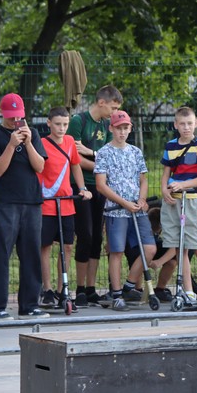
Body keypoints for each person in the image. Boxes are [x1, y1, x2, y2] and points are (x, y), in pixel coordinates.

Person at [0, 92, 49, 320]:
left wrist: (28, 143)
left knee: (31, 254)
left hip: (32, 201)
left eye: (18, 116)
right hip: (7, 202)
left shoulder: (34, 134)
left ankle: (29, 304)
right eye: (11, 117)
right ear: (3, 114)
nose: (15, 121)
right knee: (1, 254)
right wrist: (11, 144)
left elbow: (39, 166)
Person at [150, 106, 197, 311]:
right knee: (180, 248)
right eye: (182, 124)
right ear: (175, 125)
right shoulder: (171, 146)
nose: (186, 127)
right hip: (173, 201)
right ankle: (189, 292)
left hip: (192, 200)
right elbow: (166, 173)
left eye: (190, 123)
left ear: (196, 124)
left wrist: (182, 185)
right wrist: (164, 190)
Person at [69, 85, 123, 306]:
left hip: (100, 187)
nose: (115, 112)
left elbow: (109, 156)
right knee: (85, 235)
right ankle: (80, 288)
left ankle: (91, 289)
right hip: (80, 186)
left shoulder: (105, 125)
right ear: (102, 102)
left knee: (97, 238)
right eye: (113, 107)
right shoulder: (78, 121)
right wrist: (100, 166)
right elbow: (73, 156)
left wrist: (92, 154)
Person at [94, 110, 152, 311]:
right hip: (116, 210)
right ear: (111, 128)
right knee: (116, 251)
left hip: (137, 209)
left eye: (125, 128)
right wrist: (123, 203)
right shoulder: (104, 152)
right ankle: (117, 294)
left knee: (150, 248)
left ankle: (128, 286)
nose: (122, 132)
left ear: (130, 128)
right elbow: (101, 185)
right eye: (118, 128)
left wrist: (141, 199)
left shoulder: (136, 152)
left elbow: (143, 179)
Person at [37, 107, 91, 310]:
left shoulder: (69, 142)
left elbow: (75, 164)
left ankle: (63, 290)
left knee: (67, 246)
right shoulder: (41, 143)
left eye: (65, 124)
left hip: (66, 202)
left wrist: (82, 188)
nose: (62, 128)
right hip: (47, 202)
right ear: (49, 123)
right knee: (45, 246)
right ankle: (47, 290)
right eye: (58, 124)